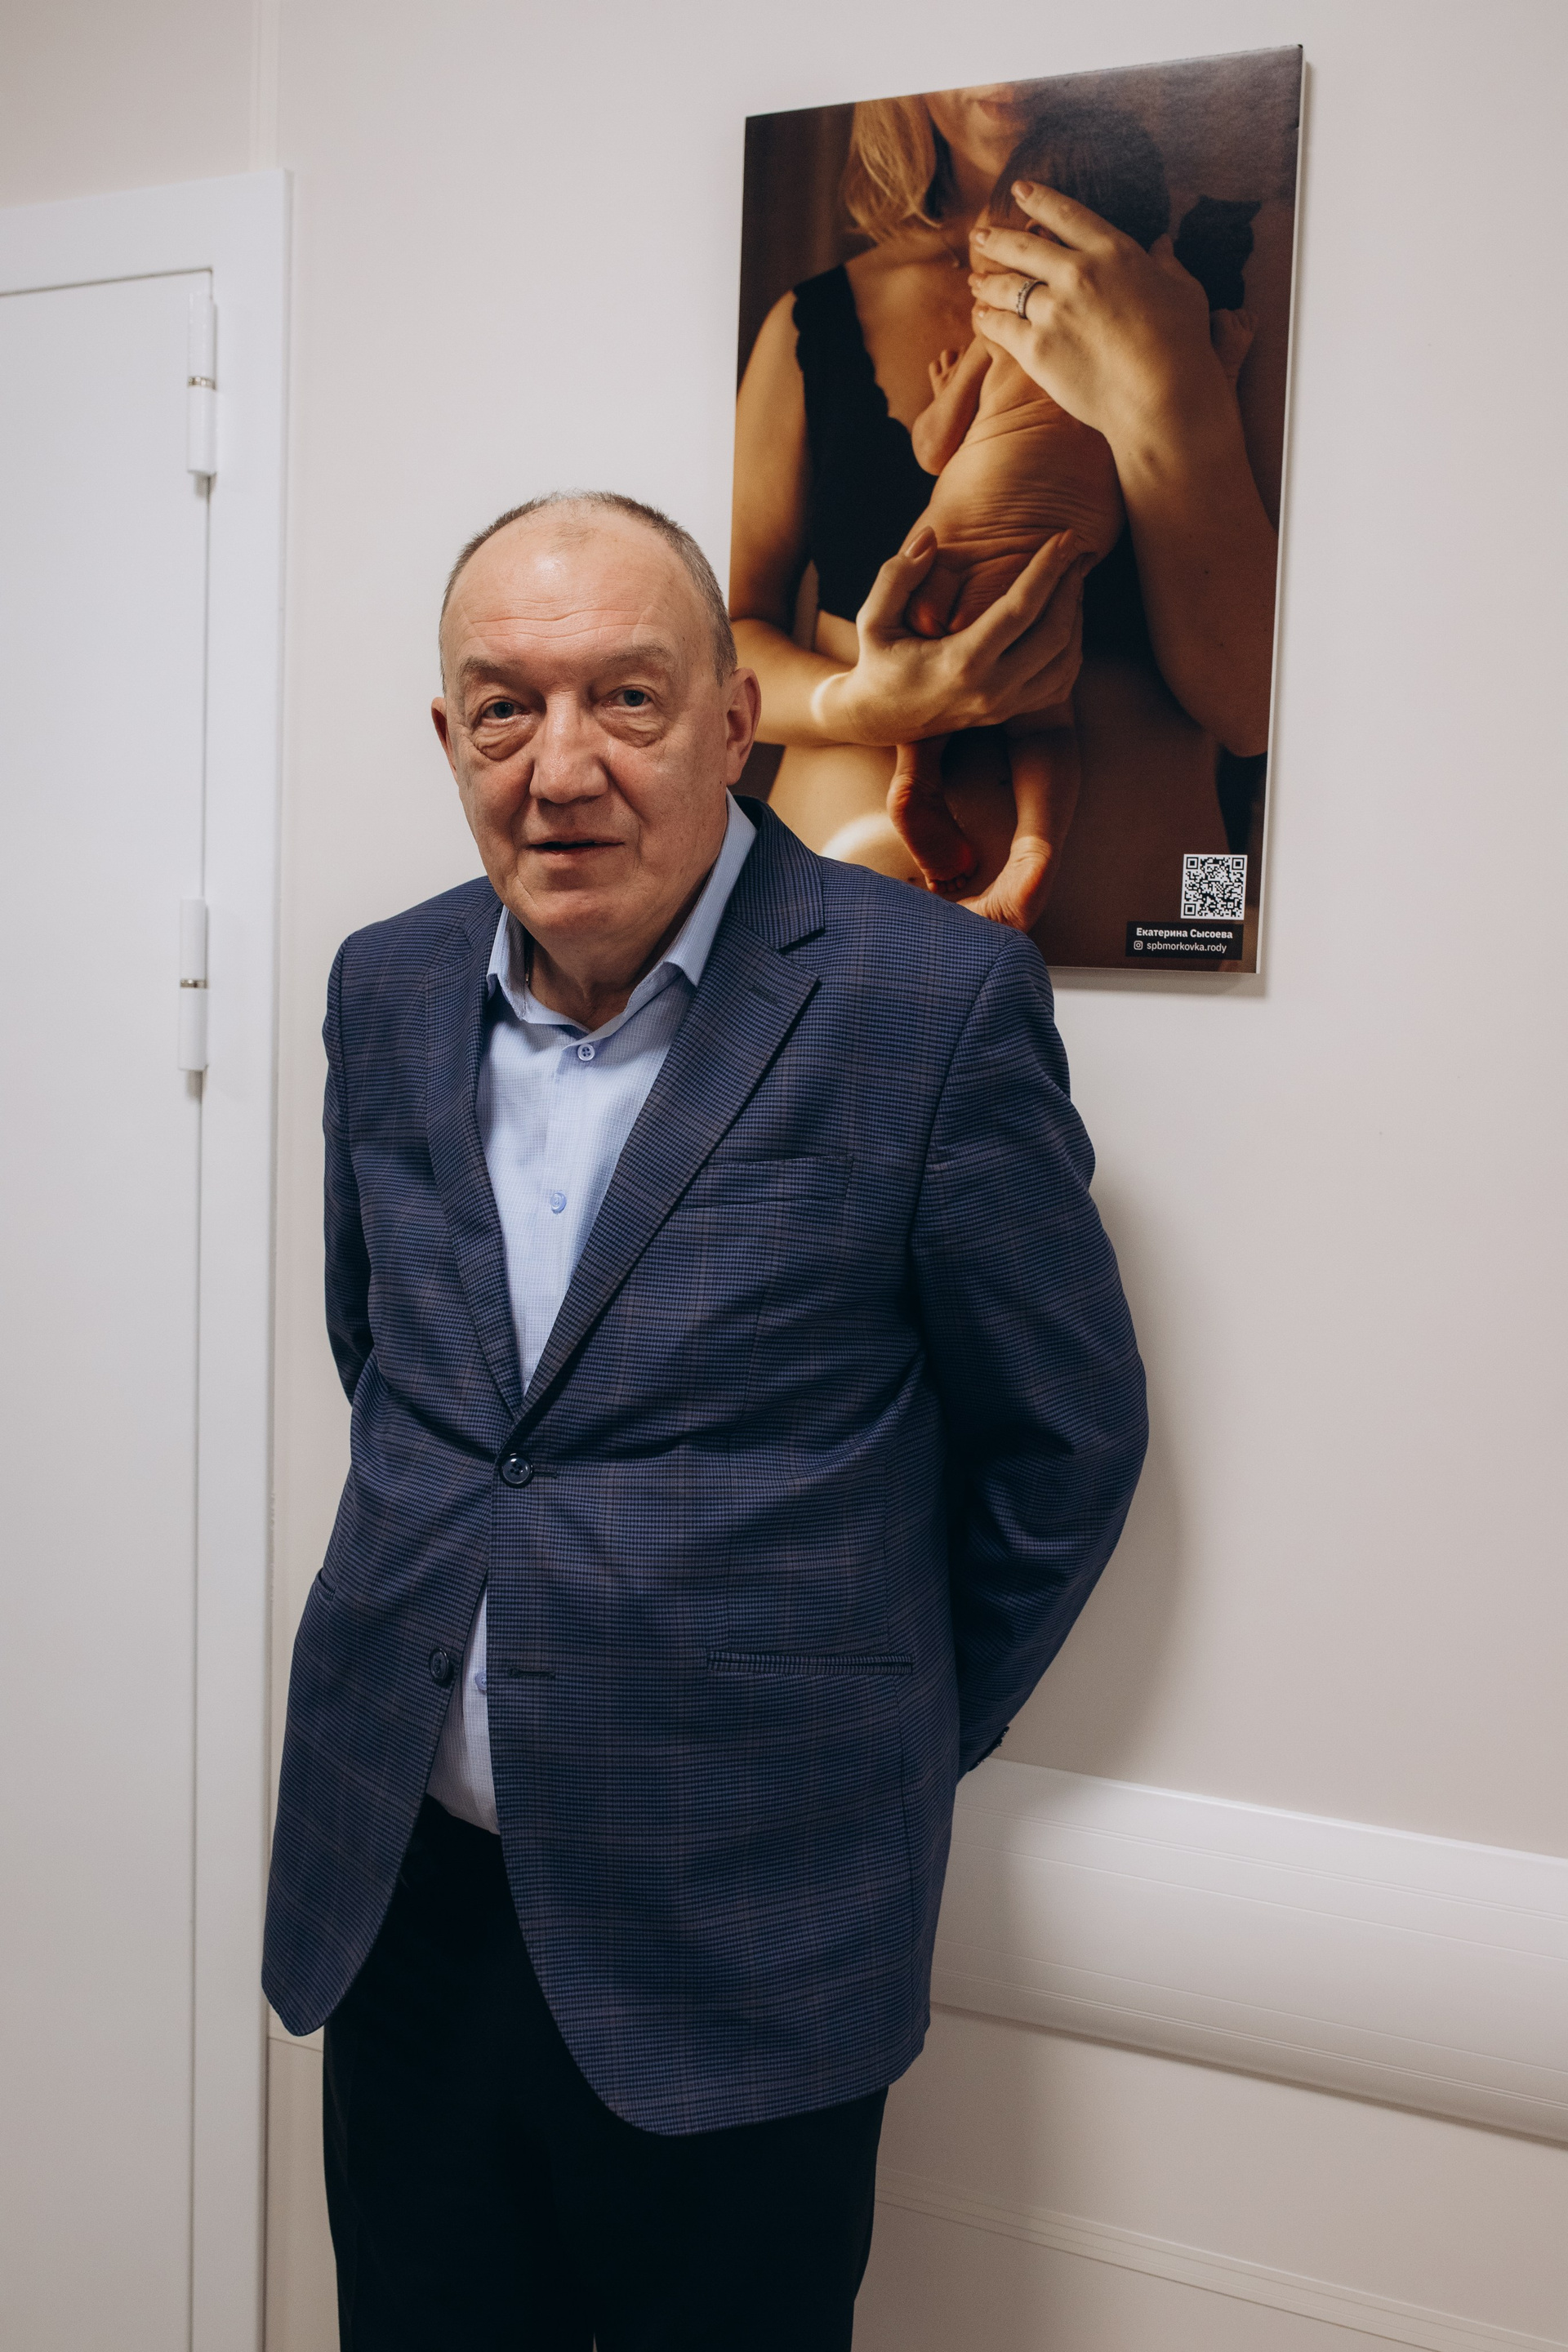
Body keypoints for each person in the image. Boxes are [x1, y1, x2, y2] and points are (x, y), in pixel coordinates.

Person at [262, 489, 1149, 2350]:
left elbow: (1061, 1448)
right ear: (448, 736)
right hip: (407, 1904)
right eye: (504, 707)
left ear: (736, 720)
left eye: (626, 698)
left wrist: (868, 1717)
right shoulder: (386, 987)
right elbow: (402, 1373)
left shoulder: (926, 1006)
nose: (559, 767)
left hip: (748, 1922)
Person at [731, 81, 1278, 966]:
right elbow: (720, 654)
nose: (1008, 76)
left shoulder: (1239, 275)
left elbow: (1254, 714)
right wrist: (861, 705)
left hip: (1165, 933)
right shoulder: (815, 316)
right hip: (822, 941)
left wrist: (1165, 398)